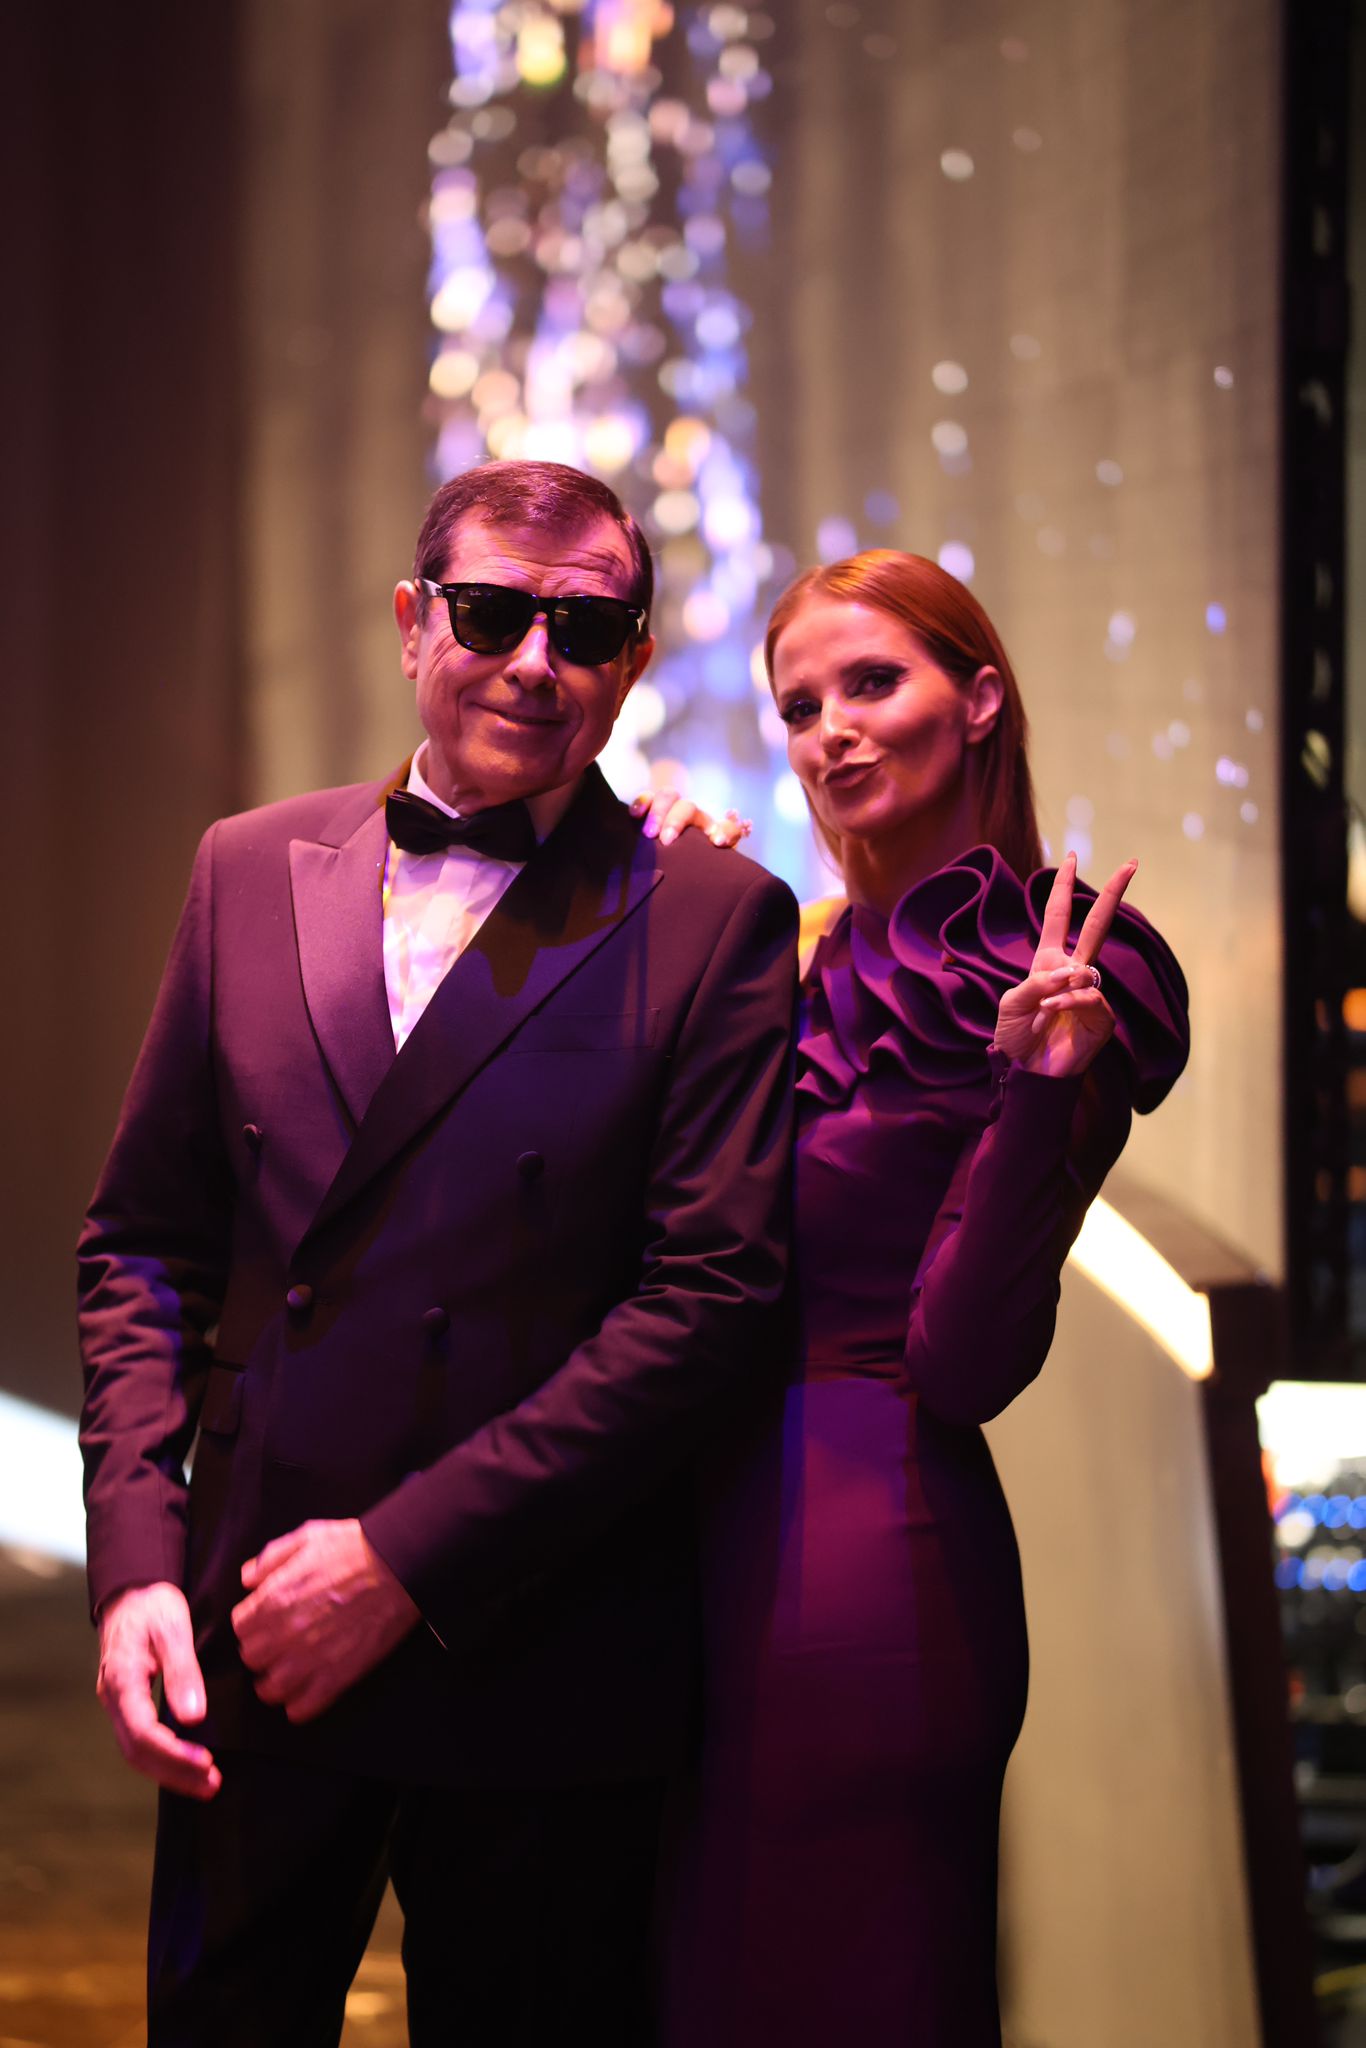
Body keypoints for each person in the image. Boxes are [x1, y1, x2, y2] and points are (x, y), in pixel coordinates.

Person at [77, 459, 799, 2048]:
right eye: (490, 615)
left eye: (585, 632)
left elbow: (711, 1299)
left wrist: (402, 1559)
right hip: (260, 1626)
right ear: (413, 623)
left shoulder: (709, 914)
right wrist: (135, 1564)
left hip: (540, 1644)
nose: (535, 663)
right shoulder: (246, 866)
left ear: (632, 663)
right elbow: (144, 1248)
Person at [653, 550, 1189, 2045]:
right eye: (798, 706)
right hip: (682, 1557)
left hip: (860, 1563)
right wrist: (653, 914)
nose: (830, 730)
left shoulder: (1063, 967)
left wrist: (1039, 1089)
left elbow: (965, 1362)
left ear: (981, 700)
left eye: (873, 682)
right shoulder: (783, 951)